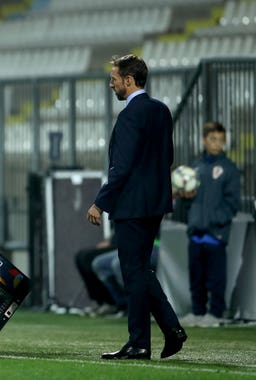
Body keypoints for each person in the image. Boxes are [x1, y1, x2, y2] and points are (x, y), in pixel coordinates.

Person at [86, 54, 187, 360]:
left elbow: (122, 165)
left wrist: (100, 202)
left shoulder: (130, 115)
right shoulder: (160, 110)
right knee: (140, 271)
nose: (111, 84)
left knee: (133, 273)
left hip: (132, 204)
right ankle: (170, 330)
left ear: (128, 81)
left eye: (114, 78)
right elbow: (166, 157)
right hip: (155, 202)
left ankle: (140, 342)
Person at [177, 121, 240, 328]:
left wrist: (214, 220)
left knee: (216, 277)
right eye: (213, 139)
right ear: (204, 140)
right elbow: (187, 202)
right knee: (197, 277)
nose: (218, 144)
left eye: (221, 140)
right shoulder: (195, 168)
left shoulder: (229, 169)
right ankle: (198, 311)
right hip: (196, 231)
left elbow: (232, 204)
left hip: (216, 233)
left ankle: (215, 313)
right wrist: (184, 198)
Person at [74, 233, 119, 317]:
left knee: (89, 259)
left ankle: (117, 303)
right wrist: (109, 241)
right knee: (81, 256)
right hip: (118, 239)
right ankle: (103, 302)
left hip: (130, 242)